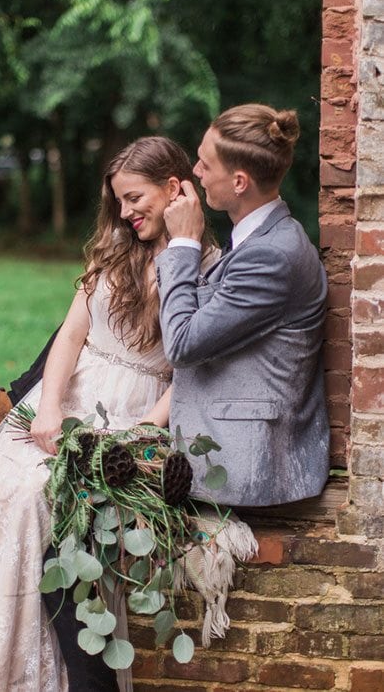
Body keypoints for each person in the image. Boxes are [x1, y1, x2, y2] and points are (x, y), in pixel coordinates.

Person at [0, 137, 218, 692]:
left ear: (175, 188)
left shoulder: (206, 267)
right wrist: (50, 406)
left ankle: (9, 674)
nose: (127, 213)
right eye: (119, 203)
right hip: (71, 394)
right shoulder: (113, 251)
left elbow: (191, 371)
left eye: (136, 199)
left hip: (132, 409)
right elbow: (71, 336)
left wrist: (143, 432)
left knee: (36, 501)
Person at [156, 103, 330, 506]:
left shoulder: (272, 255)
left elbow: (182, 345)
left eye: (204, 164)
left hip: (243, 464)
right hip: (217, 447)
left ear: (238, 182)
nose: (195, 173)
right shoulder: (260, 241)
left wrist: (183, 242)